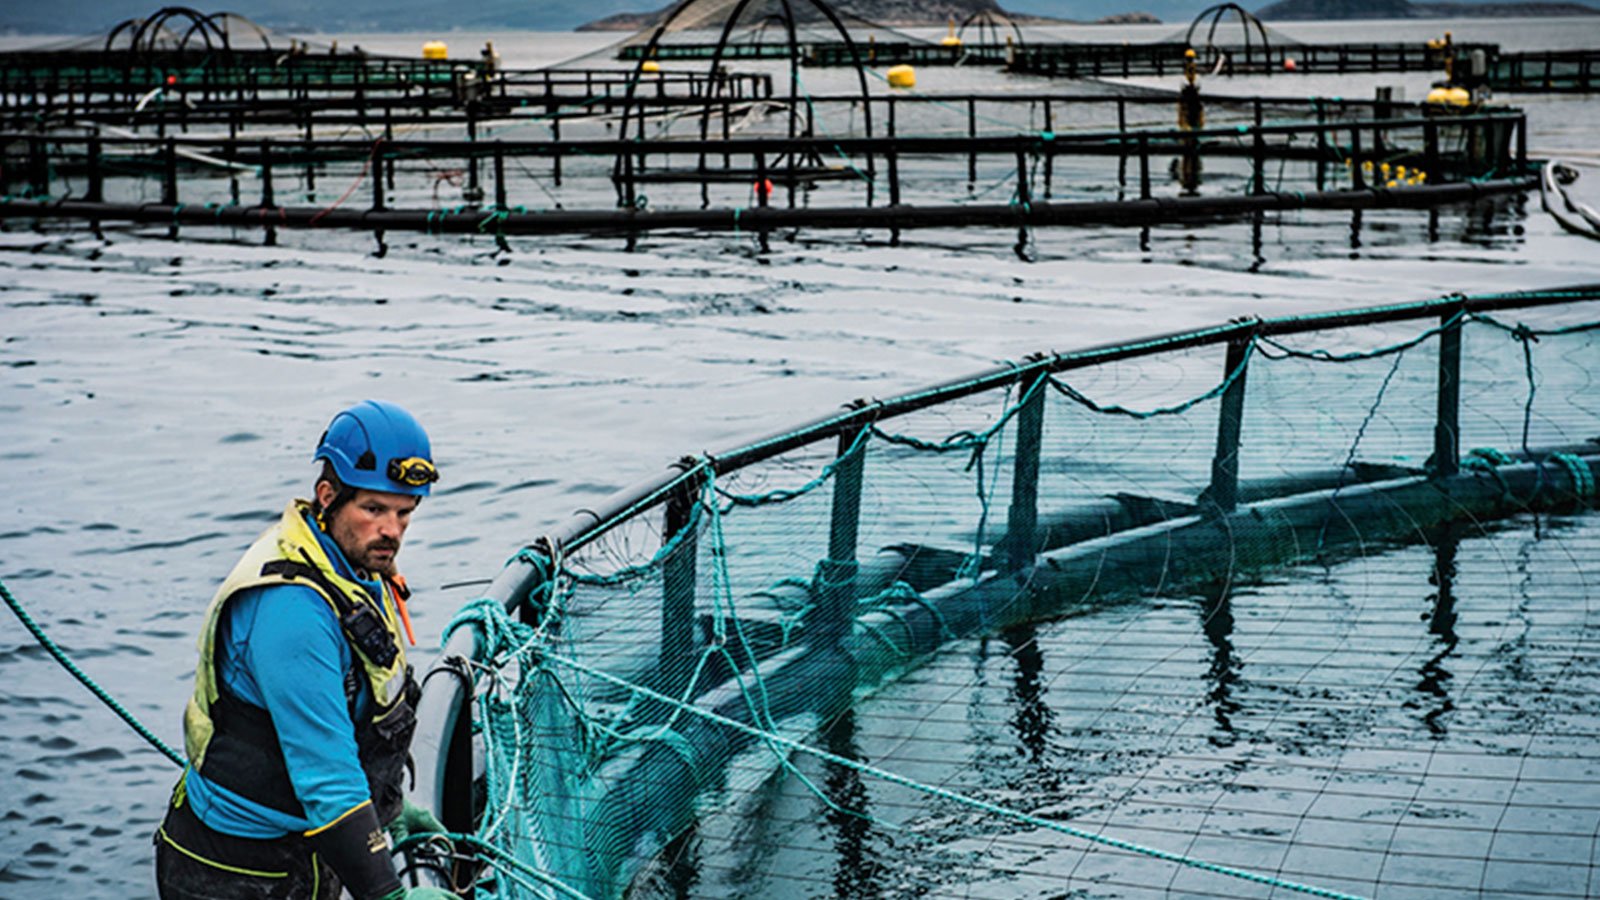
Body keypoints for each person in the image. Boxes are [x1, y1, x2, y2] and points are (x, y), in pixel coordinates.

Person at [154, 401, 454, 900]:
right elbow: (329, 782)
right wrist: (391, 896)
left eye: (405, 513)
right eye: (374, 509)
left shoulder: (353, 565)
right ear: (327, 496)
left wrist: (391, 812)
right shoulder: (292, 612)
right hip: (237, 870)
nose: (392, 531)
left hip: (307, 850)